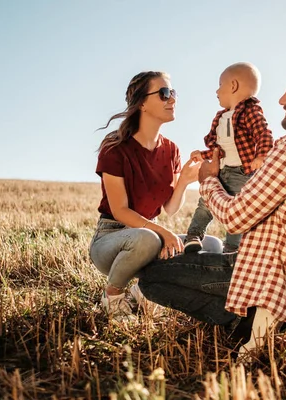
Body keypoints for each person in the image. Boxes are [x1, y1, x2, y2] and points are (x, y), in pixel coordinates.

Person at [137, 62, 286, 358]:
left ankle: (248, 318)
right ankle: (263, 318)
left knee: (151, 279)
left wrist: (208, 179)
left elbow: (235, 217)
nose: (280, 101)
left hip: (265, 280)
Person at [90, 71, 212, 322]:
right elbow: (120, 210)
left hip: (150, 238)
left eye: (173, 93)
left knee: (210, 245)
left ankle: (141, 292)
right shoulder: (114, 147)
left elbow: (169, 208)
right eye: (164, 93)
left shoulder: (171, 150)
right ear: (142, 103)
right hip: (111, 240)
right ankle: (112, 298)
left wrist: (185, 182)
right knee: (147, 238)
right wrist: (164, 234)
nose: (173, 99)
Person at [184, 62, 273, 253]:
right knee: (205, 203)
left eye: (220, 85)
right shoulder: (222, 117)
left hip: (242, 173)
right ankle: (194, 236)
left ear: (233, 86)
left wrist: (262, 155)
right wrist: (203, 154)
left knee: (238, 212)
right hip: (221, 170)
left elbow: (263, 134)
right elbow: (221, 149)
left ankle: (232, 248)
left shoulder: (250, 112)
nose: (217, 91)